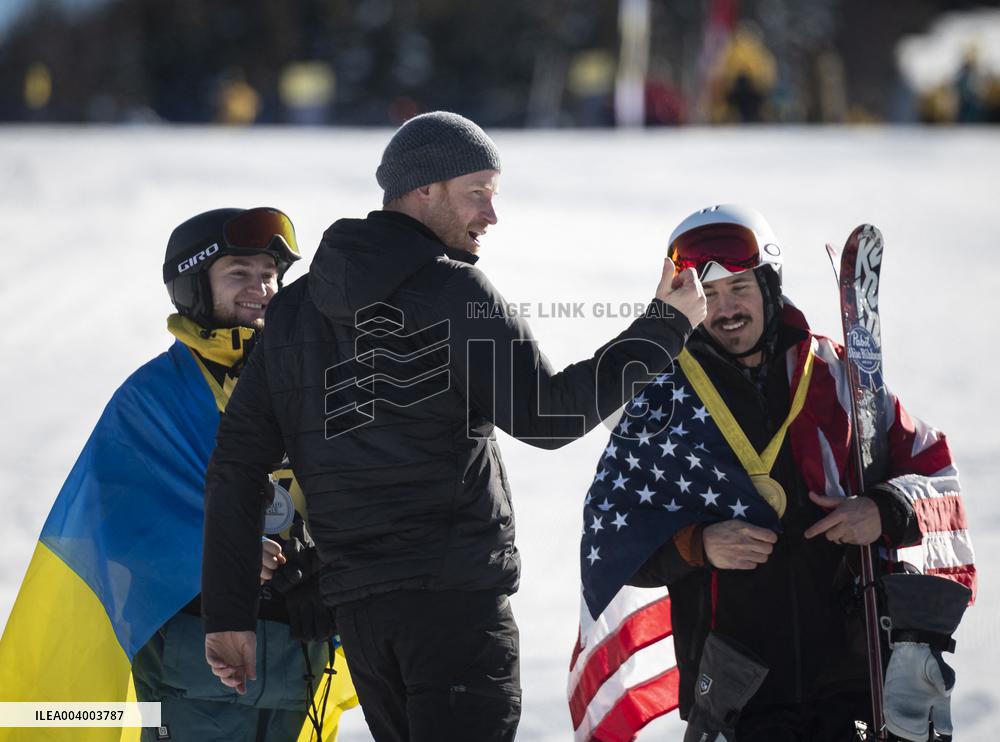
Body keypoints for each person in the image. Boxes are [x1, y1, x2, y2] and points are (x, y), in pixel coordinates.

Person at [199, 110, 707, 742]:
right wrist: (663, 328)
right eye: (478, 195)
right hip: (453, 608)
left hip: (362, 619)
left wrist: (228, 615)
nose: (491, 216)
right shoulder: (452, 290)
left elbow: (236, 466)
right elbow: (547, 415)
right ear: (425, 191)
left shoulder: (296, 306)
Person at [577, 204, 975, 741]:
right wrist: (698, 545)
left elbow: (935, 474)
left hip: (850, 681)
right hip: (735, 693)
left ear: (769, 284)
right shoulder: (661, 401)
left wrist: (883, 510)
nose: (725, 309)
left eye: (739, 287)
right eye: (708, 296)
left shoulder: (836, 377)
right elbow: (612, 535)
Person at [131, 207, 357, 741]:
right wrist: (220, 554)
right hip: (188, 666)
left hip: (296, 660)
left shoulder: (310, 386)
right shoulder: (157, 395)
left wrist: (327, 566)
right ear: (193, 288)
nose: (259, 288)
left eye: (269, 275)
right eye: (238, 274)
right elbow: (112, 533)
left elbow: (356, 497)